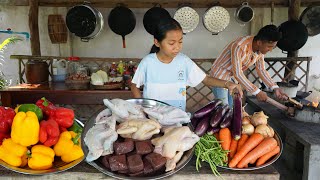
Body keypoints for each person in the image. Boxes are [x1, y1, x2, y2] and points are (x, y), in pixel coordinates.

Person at [131, 18, 242, 111]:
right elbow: (134, 86)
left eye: (180, 41)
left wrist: (227, 84)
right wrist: (142, 107)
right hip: (153, 117)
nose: (177, 47)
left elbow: (206, 79)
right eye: (171, 43)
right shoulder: (147, 62)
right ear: (157, 42)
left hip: (177, 117)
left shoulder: (184, 61)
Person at [210, 25, 288, 106]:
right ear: (259, 42)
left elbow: (261, 70)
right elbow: (238, 73)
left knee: (230, 108)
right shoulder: (240, 45)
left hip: (232, 78)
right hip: (219, 76)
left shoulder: (260, 50)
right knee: (223, 107)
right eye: (269, 47)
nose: (270, 50)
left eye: (273, 47)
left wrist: (275, 87)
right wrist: (256, 92)